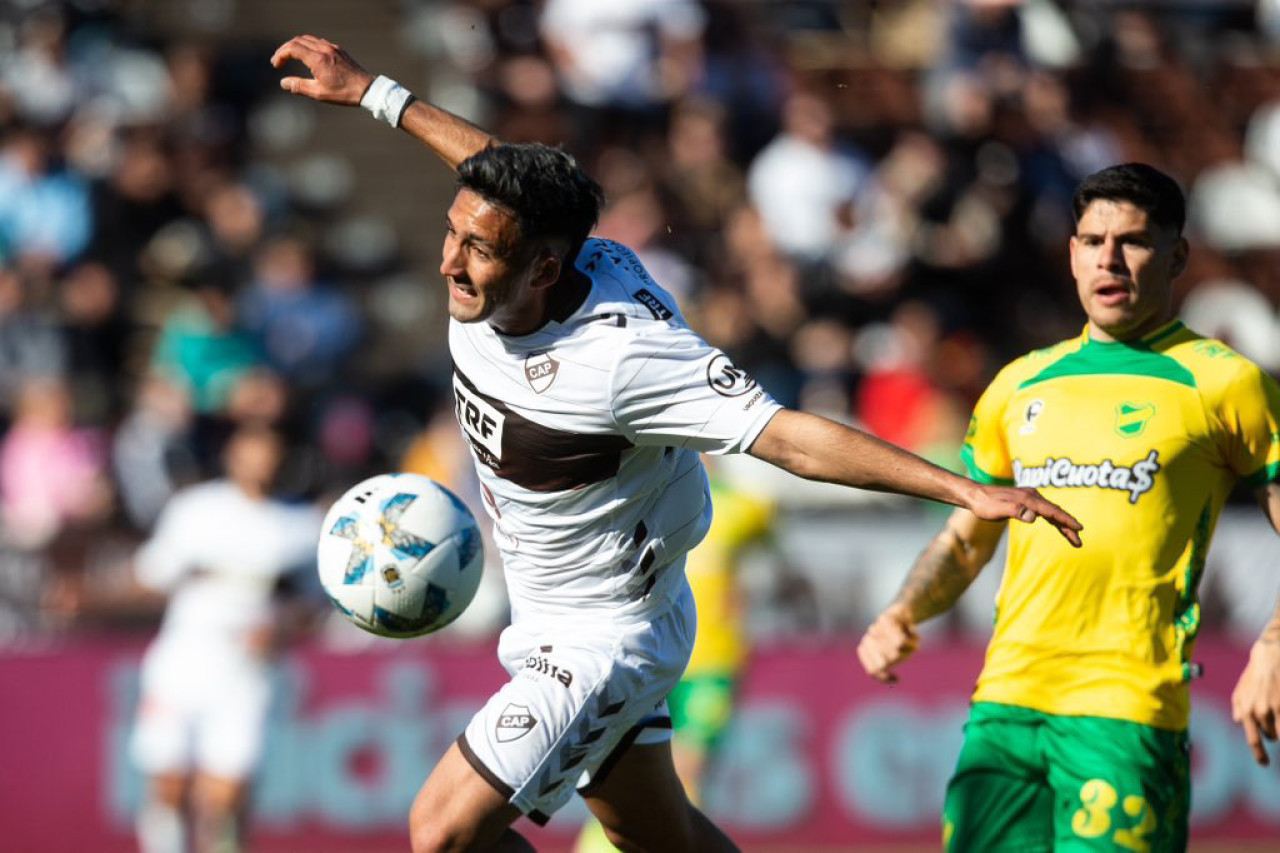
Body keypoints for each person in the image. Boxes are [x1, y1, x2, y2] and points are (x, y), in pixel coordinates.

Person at [270, 34, 1082, 853]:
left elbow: (787, 437)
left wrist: (963, 487)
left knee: (442, 831)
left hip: (605, 633)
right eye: (454, 233)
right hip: (554, 606)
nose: (451, 260)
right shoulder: (514, 242)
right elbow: (493, 171)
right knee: (668, 842)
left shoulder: (626, 357)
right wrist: (374, 91)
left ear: (547, 269)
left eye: (478, 250)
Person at [857, 163, 1280, 852]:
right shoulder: (1018, 384)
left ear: (1176, 256)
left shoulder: (1225, 383)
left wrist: (1272, 646)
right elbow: (969, 536)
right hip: (1004, 704)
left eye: (1134, 241)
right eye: (1092, 240)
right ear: (1072, 253)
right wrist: (906, 609)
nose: (1109, 259)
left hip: (1125, 708)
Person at [129, 424, 321, 853]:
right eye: (252, 450)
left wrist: (281, 628)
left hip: (248, 675)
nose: (261, 461)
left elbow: (316, 607)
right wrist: (90, 596)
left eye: (271, 451)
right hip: (183, 662)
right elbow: (151, 576)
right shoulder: (194, 510)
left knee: (229, 794)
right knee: (169, 785)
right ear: (232, 455)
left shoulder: (304, 527)